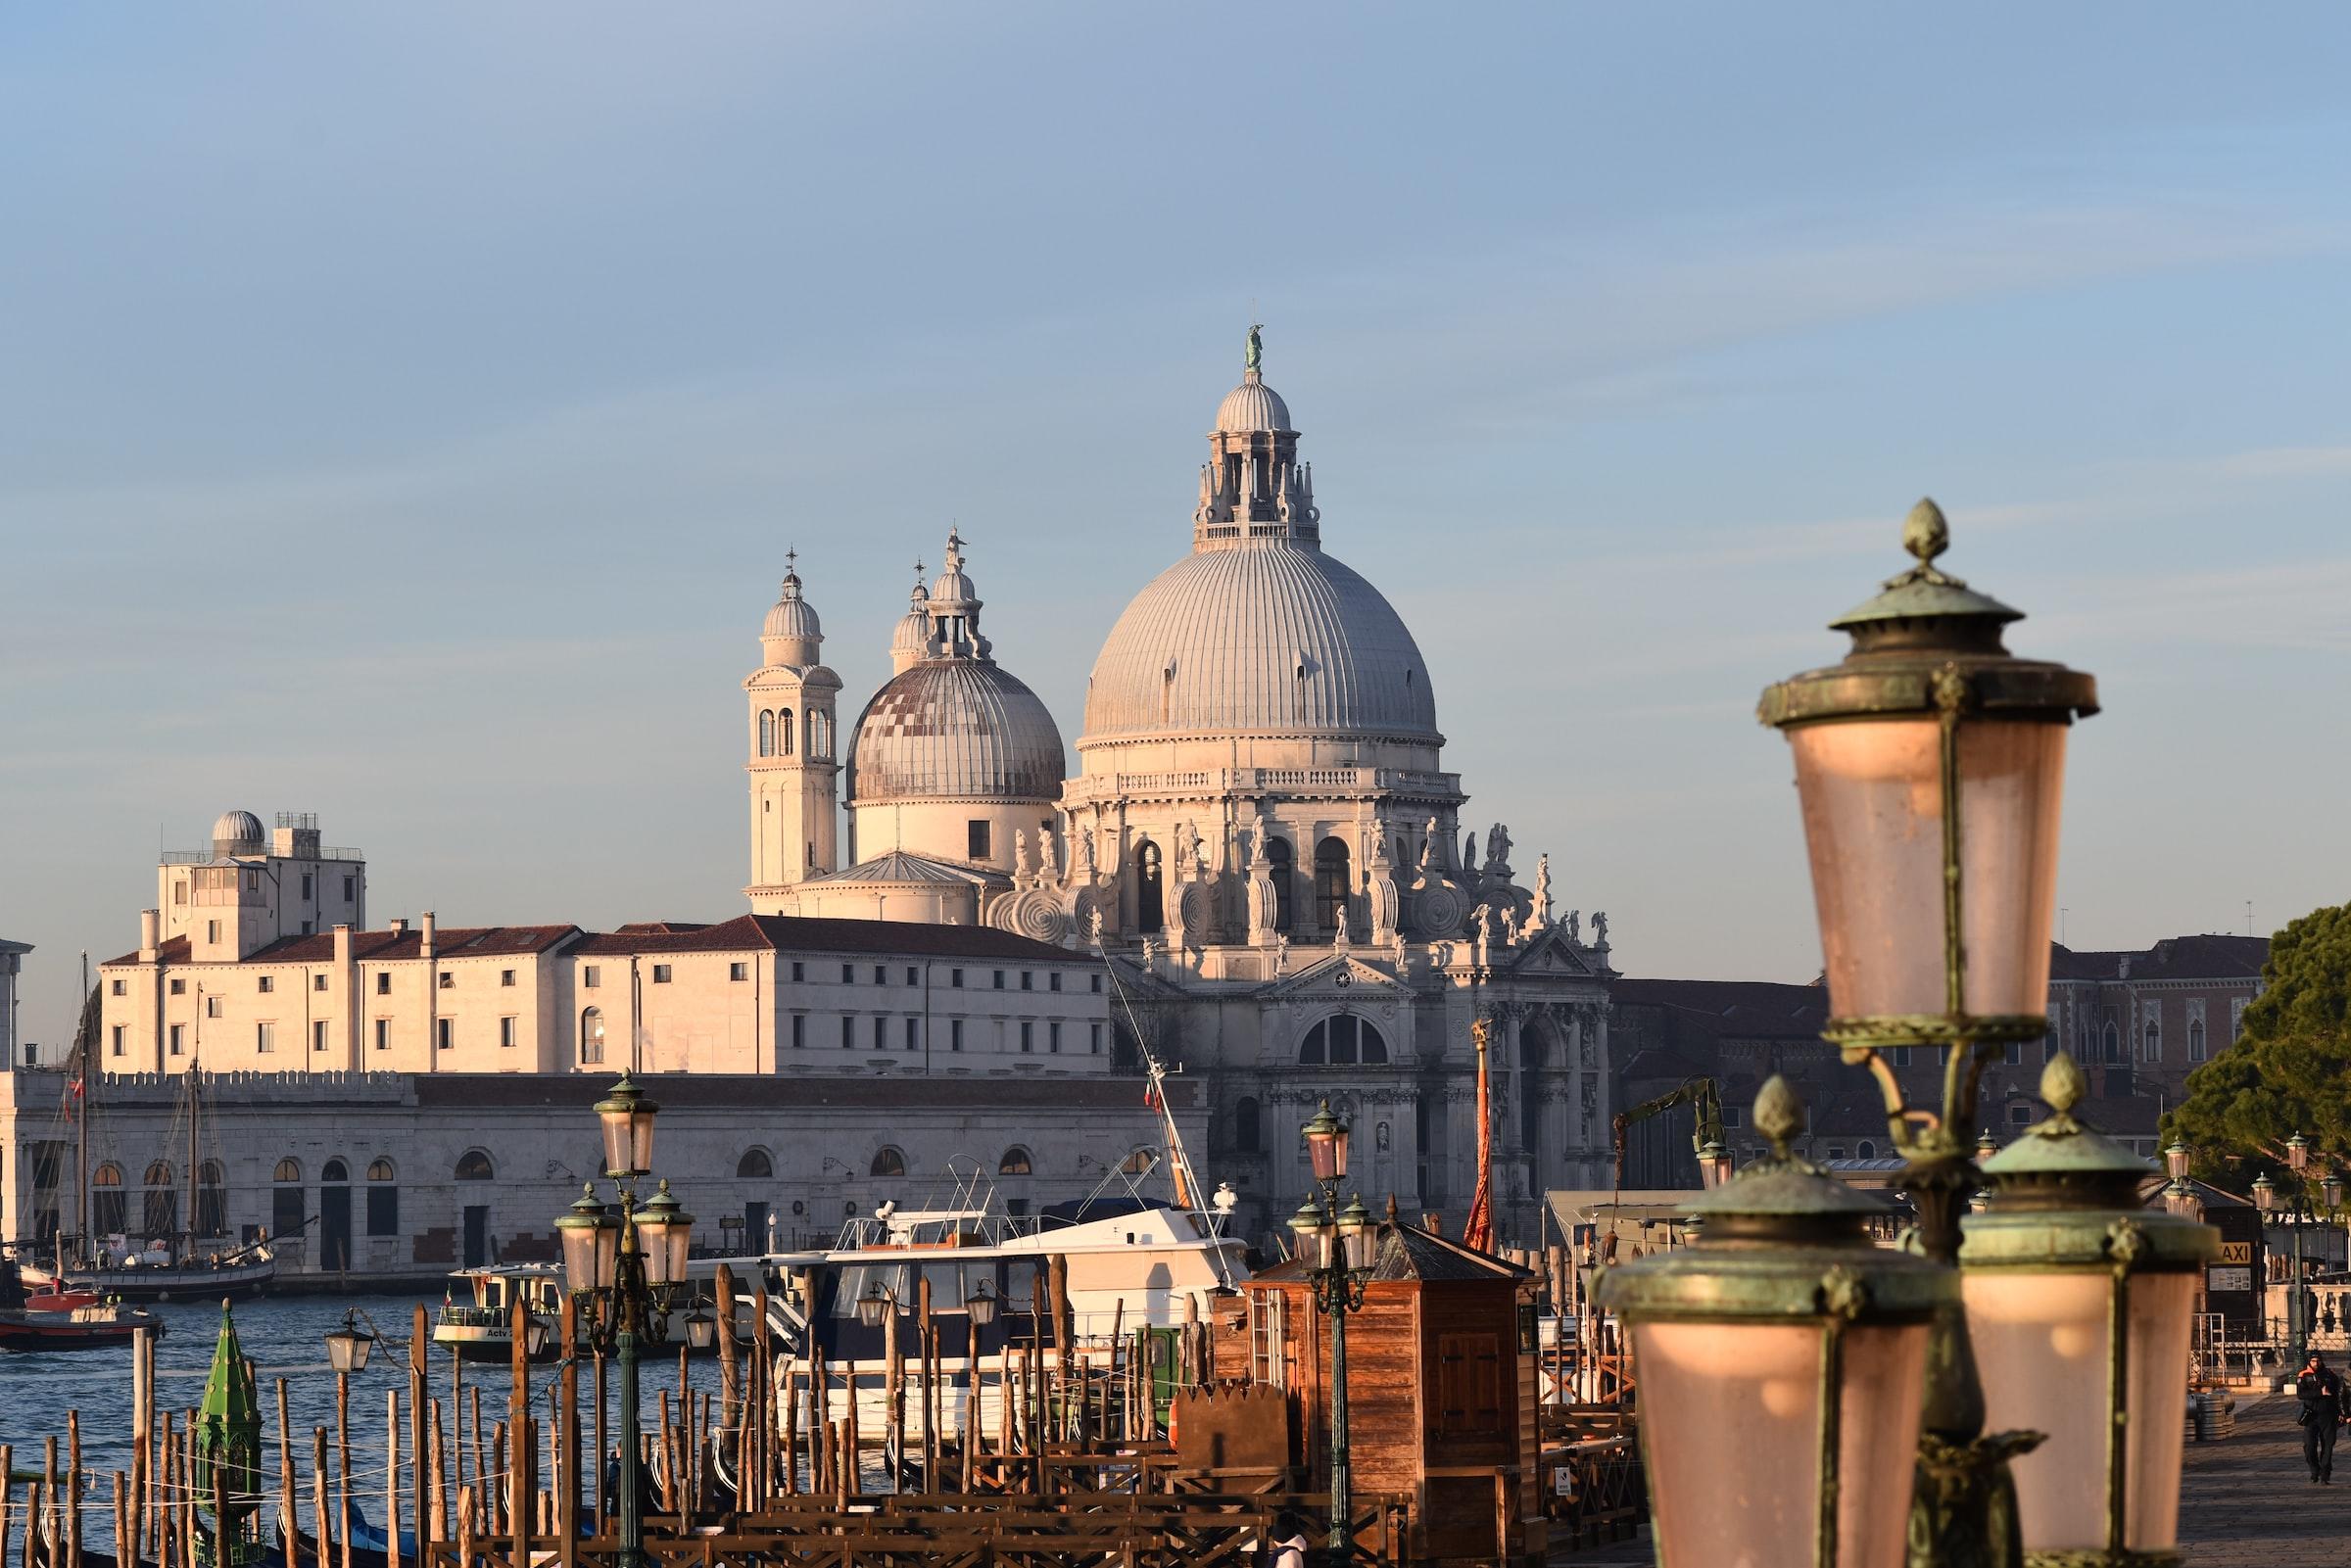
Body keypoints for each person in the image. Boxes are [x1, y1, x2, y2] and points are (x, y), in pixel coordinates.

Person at [2297, 1351, 2345, 1482]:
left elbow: (2338, 1396)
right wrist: (2320, 1392)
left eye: (2318, 1360)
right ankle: (2314, 1470)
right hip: (2311, 1416)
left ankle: (2325, 1473)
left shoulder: (2330, 1375)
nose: (2316, 1363)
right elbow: (2301, 1394)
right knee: (2309, 1446)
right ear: (2309, 1361)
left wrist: (2342, 1413)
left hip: (2328, 1416)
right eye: (2313, 1361)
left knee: (2328, 1446)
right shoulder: (2303, 1375)